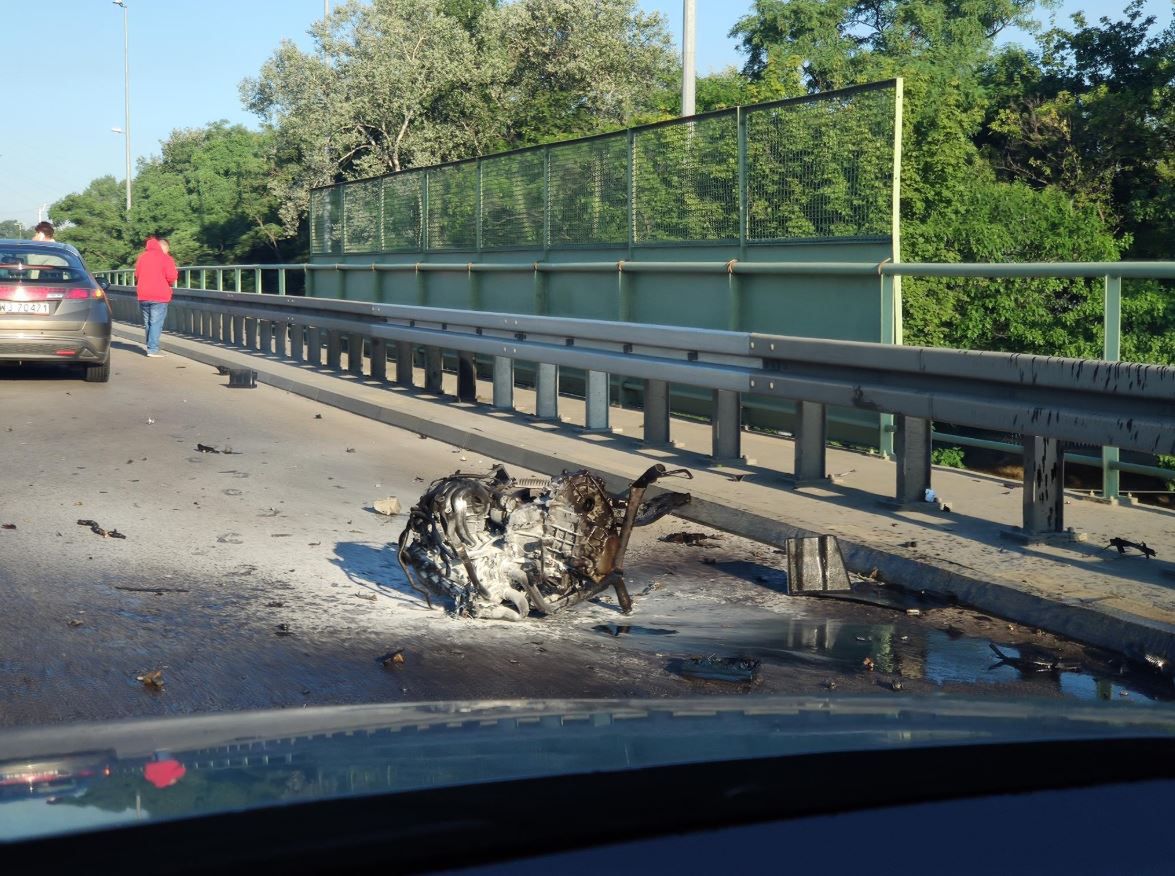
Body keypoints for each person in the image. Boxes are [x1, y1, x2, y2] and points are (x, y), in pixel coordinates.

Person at [134, 235, 179, 357]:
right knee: (156, 323)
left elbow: (137, 274)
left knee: (148, 322)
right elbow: (172, 277)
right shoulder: (166, 258)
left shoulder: (142, 257)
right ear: (163, 246)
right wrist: (168, 283)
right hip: (159, 295)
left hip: (143, 294)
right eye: (167, 249)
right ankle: (153, 349)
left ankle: (150, 347)